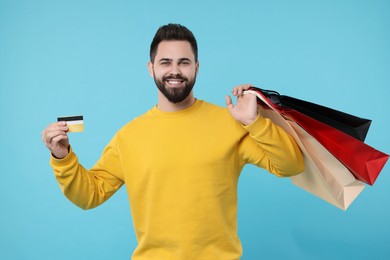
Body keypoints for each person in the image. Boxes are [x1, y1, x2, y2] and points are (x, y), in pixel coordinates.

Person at [42, 24, 304, 260]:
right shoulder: (129, 136)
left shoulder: (230, 123)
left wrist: (253, 121)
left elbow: (290, 165)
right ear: (151, 68)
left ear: (197, 67)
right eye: (165, 62)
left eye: (184, 62)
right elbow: (89, 195)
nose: (175, 71)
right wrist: (62, 158)